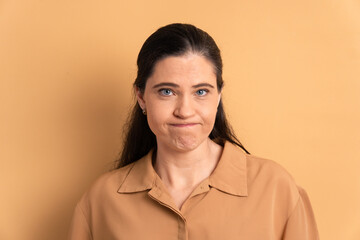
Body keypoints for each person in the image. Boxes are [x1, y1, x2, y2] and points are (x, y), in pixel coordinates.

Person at [68, 23, 319, 240]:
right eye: (167, 91)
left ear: (218, 96)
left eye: (201, 92)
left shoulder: (276, 189)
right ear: (141, 97)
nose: (185, 111)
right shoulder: (100, 200)